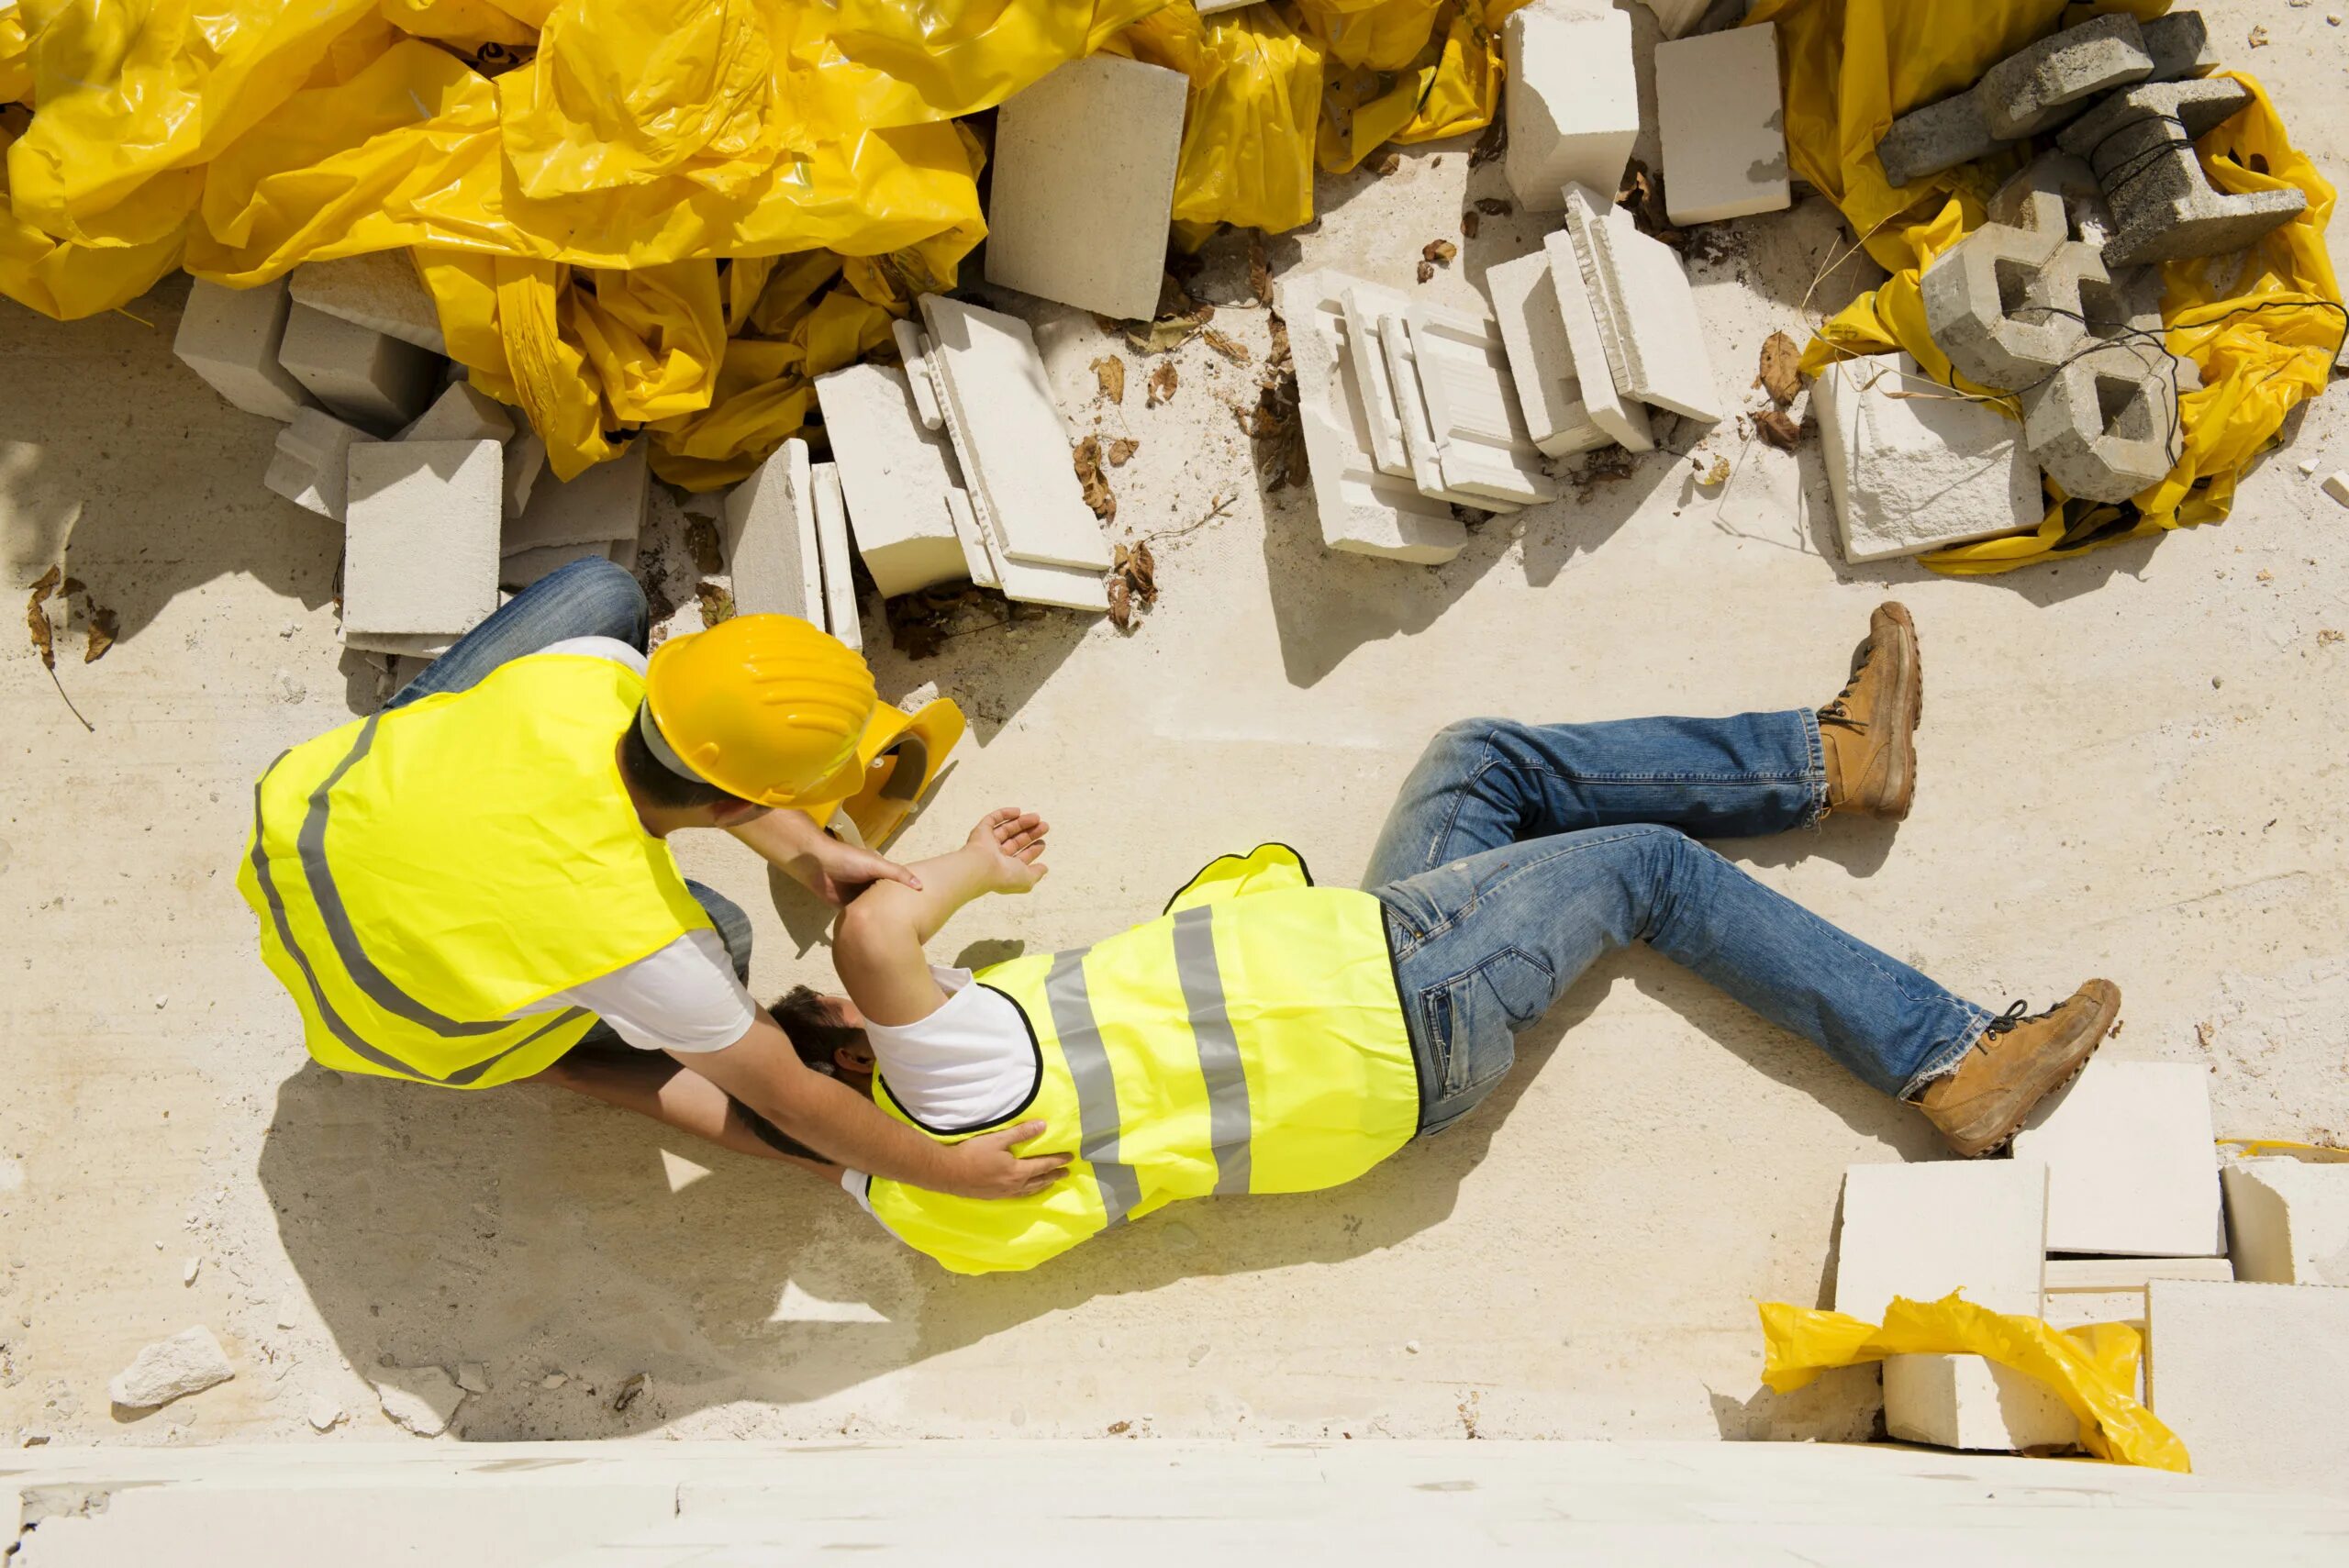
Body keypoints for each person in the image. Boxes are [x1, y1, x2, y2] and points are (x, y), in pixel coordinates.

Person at [707, 602, 2121, 1274]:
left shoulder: (918, 1203)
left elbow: (753, 1103)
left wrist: (720, 1076)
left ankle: (1832, 762)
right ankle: (1951, 1058)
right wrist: (965, 863)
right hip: (1400, 997)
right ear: (853, 1050)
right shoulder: (949, 1079)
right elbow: (878, 938)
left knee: (1478, 762)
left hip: (1376, 1033)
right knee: (1643, 868)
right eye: (824, 1017)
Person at [236, 555, 1068, 1202]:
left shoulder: (590, 671)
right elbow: (791, 1103)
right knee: (731, 939)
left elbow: (701, 765)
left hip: (302, 827)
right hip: (388, 1019)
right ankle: (537, 1051)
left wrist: (808, 849)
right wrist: (949, 1171)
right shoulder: (654, 946)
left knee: (602, 592)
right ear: (742, 804)